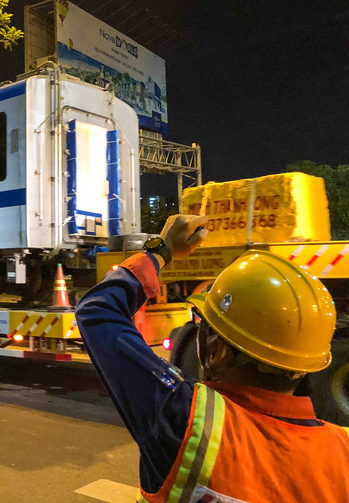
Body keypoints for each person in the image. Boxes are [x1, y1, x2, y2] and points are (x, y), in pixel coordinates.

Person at [75, 214, 349, 502]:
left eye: (203, 328)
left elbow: (98, 311)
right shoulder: (342, 450)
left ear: (216, 351)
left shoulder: (185, 419)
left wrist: (160, 251)